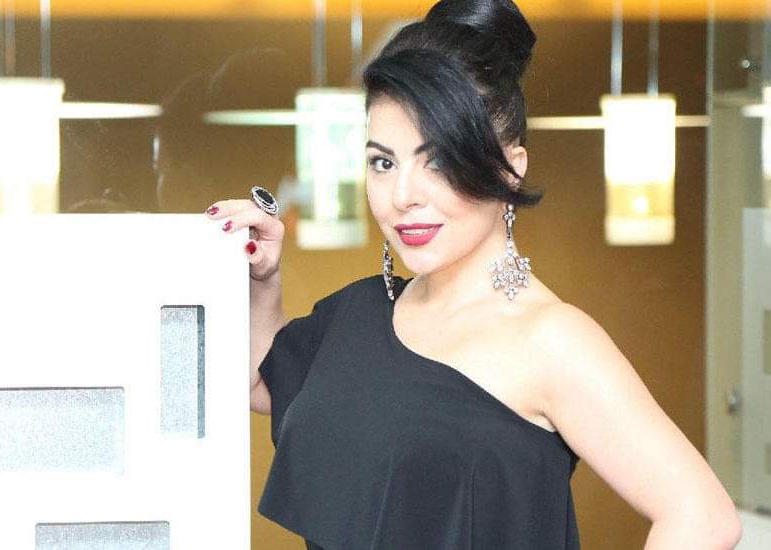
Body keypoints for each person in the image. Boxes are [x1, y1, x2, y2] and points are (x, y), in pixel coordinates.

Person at [206, 1, 742, 548]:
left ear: (511, 168)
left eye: (439, 160)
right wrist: (262, 280)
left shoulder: (552, 340)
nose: (403, 196)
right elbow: (258, 382)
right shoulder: (356, 312)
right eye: (384, 162)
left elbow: (702, 518)